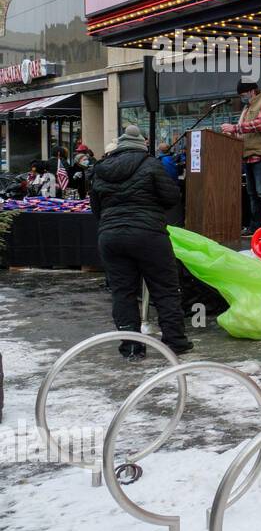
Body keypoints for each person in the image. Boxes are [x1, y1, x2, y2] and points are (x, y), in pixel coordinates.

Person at [89, 125, 193, 360]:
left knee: (122, 292)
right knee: (165, 289)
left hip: (111, 236)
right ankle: (175, 342)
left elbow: (96, 209)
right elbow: (171, 197)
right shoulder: (151, 164)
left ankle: (132, 347)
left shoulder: (100, 169)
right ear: (141, 145)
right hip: (149, 235)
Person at [222, 80, 261, 232]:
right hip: (249, 155)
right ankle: (255, 227)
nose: (242, 98)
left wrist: (235, 128)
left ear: (251, 91)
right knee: (252, 194)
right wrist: (232, 132)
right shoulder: (248, 107)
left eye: (243, 95)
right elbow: (246, 130)